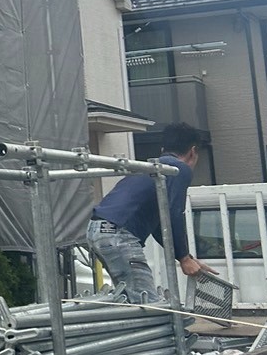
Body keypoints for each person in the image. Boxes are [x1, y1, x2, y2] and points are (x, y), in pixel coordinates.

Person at [86, 123, 206, 302]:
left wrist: (186, 257)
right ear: (193, 151)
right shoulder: (177, 170)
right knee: (147, 302)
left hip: (97, 229)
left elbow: (161, 226)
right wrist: (183, 258)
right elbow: (174, 214)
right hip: (118, 233)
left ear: (163, 149)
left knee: (130, 297)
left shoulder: (149, 167)